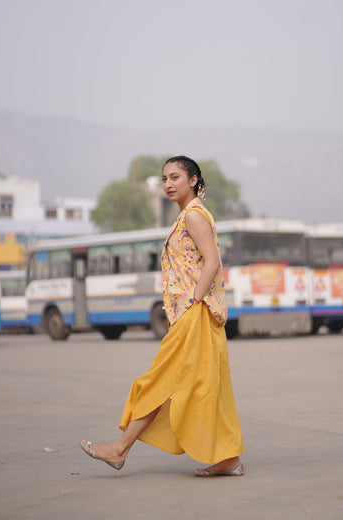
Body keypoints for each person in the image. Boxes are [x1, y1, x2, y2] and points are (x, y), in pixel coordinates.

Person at [80, 155, 244, 477]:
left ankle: (120, 449)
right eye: (164, 179)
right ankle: (229, 458)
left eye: (175, 178)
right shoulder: (188, 216)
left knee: (159, 381)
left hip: (195, 315)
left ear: (194, 181)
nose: (168, 184)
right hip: (191, 315)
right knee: (205, 386)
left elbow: (210, 262)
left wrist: (193, 302)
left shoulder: (194, 216)